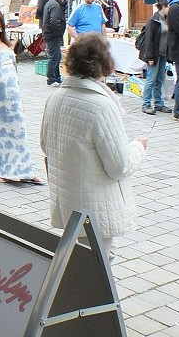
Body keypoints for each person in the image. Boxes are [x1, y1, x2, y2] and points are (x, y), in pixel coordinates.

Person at [40, 34, 148, 260]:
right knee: (98, 264)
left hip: (68, 199)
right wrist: (138, 146)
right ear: (104, 63)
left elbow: (45, 145)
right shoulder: (100, 105)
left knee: (85, 259)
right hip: (94, 206)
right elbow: (119, 165)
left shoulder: (56, 97)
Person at [0, 7, 44, 184]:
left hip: (12, 97)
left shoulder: (9, 43)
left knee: (18, 131)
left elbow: (13, 67)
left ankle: (24, 169)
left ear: (1, 23)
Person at [137, 0, 170, 115]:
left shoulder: (165, 19)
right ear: (164, 7)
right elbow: (149, 40)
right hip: (155, 54)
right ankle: (146, 104)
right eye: (169, 7)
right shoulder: (153, 20)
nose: (170, 10)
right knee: (151, 79)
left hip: (163, 54)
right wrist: (150, 57)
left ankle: (158, 103)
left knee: (160, 79)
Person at [40, 0, 66, 87]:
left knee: (57, 56)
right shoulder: (55, 5)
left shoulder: (50, 3)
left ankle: (57, 77)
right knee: (54, 57)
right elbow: (54, 21)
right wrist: (59, 34)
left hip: (49, 34)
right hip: (52, 35)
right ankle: (51, 79)